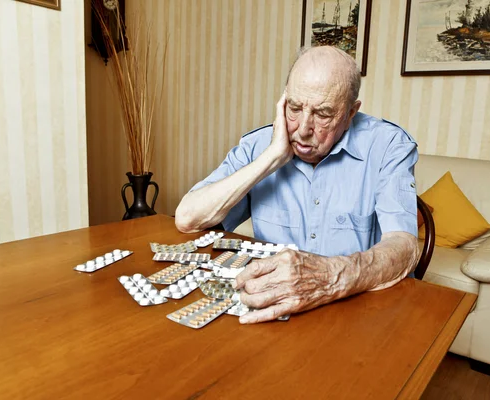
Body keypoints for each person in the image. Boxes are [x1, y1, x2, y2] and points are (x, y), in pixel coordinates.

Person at [175, 46, 419, 324]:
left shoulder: (389, 146)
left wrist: (327, 278)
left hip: (359, 316)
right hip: (276, 314)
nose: (303, 129)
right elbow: (187, 219)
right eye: (294, 108)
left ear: (352, 112)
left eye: (323, 114)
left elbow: (405, 248)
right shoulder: (258, 146)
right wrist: (272, 157)